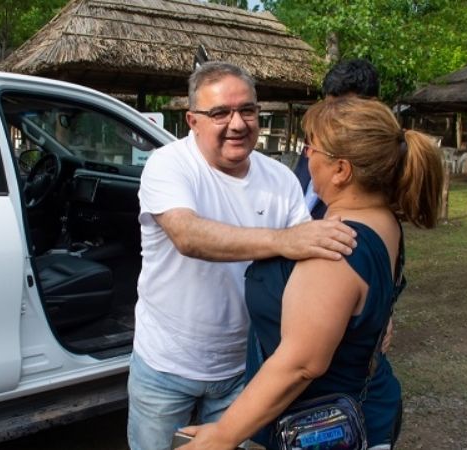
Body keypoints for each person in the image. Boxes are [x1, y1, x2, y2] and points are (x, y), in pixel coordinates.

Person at [180, 96, 444, 449]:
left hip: (323, 427)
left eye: (312, 147)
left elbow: (301, 364)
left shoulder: (334, 248)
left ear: (341, 170)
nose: (306, 155)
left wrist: (224, 434)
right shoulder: (383, 221)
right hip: (368, 406)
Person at [128, 62, 358, 450]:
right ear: (192, 120)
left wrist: (364, 309)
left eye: (247, 110)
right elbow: (188, 235)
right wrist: (283, 240)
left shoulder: (280, 179)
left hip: (245, 366)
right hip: (165, 365)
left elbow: (311, 255)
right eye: (220, 113)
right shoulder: (168, 165)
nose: (237, 123)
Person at [295, 58, 380, 219]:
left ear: (372, 106)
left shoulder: (377, 166)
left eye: (344, 110)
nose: (333, 117)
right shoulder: (313, 146)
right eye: (329, 107)